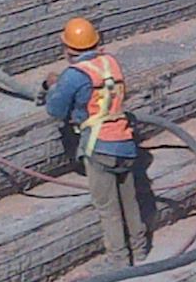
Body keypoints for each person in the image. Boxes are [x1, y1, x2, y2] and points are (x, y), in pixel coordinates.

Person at [43, 16, 150, 265]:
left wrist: (53, 88)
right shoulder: (111, 63)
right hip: (125, 142)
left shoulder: (73, 75)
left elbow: (56, 110)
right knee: (129, 201)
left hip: (100, 147)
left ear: (68, 49)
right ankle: (140, 250)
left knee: (108, 208)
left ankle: (118, 260)